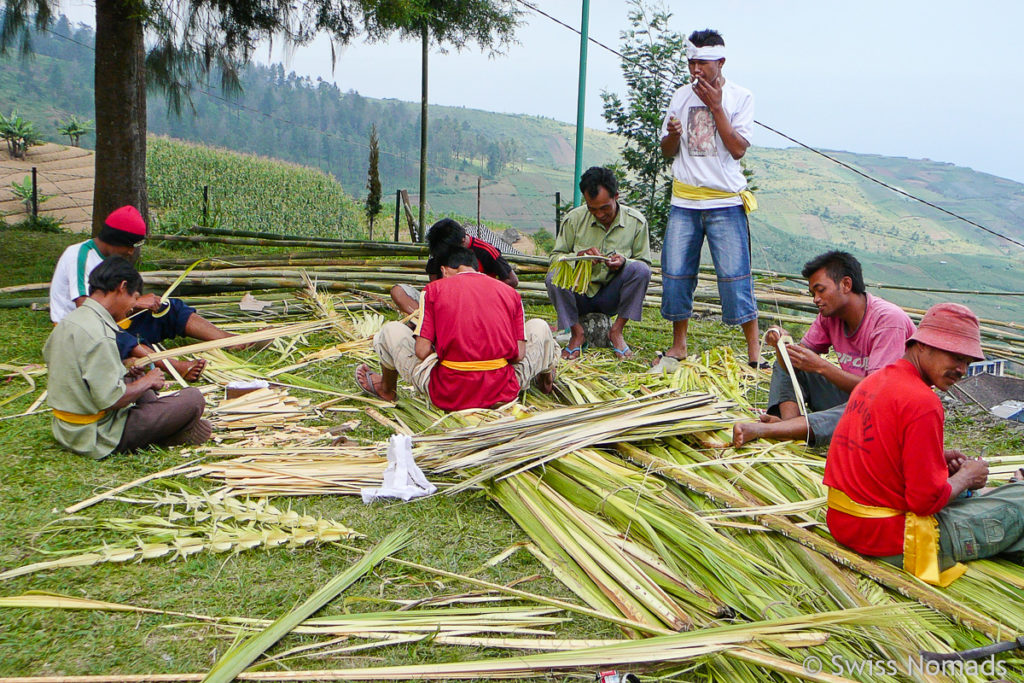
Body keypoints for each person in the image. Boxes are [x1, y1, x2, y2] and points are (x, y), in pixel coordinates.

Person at [824, 302, 1024, 586]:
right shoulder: (922, 401)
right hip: (888, 538)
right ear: (921, 345)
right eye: (955, 356)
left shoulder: (873, 382)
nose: (962, 369)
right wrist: (966, 478)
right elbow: (924, 503)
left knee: (1013, 493)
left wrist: (936, 460)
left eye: (967, 361)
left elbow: (880, 453)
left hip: (844, 523)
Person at [732, 251, 915, 447]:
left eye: (821, 290)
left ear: (846, 284)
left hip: (888, 411)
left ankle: (774, 429)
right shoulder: (829, 316)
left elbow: (878, 391)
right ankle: (788, 428)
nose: (816, 299)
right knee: (786, 364)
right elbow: (794, 362)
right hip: (850, 397)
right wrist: (781, 345)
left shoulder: (887, 321)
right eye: (813, 293)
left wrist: (821, 367)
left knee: (867, 404)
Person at [658, 29, 761, 366]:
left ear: (720, 62)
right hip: (684, 201)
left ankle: (754, 352)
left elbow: (737, 149)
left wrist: (717, 107)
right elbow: (666, 152)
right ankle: (679, 345)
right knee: (676, 273)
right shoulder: (679, 97)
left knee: (735, 275)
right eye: (691, 62)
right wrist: (672, 137)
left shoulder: (740, 97)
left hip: (725, 202)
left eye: (702, 62)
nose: (696, 70)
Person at [43, 257, 212, 460]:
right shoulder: (100, 335)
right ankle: (173, 430)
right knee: (193, 399)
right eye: (134, 298)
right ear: (122, 287)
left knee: (133, 377)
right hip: (95, 433)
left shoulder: (70, 321)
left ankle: (167, 424)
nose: (133, 306)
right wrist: (147, 381)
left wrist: (126, 370)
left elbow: (81, 370)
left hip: (65, 427)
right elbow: (112, 399)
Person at [49, 205, 240, 381]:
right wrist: (135, 304)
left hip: (114, 319)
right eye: (129, 245)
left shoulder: (112, 259)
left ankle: (230, 340)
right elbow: (87, 314)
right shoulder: (78, 256)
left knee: (169, 308)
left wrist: (138, 302)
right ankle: (175, 367)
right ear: (115, 240)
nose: (131, 252)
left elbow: (119, 298)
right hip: (82, 332)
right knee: (118, 335)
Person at [357, 247, 558, 411]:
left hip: (450, 394)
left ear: (445, 270)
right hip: (502, 391)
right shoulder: (510, 293)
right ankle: (546, 379)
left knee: (391, 330)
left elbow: (421, 351)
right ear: (474, 267)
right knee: (539, 327)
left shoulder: (434, 291)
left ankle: (386, 389)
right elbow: (519, 355)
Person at [546, 166, 651, 359]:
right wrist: (579, 258)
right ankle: (577, 333)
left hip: (612, 297)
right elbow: (555, 258)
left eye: (605, 208)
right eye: (592, 209)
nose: (599, 214)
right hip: (580, 294)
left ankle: (616, 332)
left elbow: (643, 263)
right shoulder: (574, 219)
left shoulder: (636, 222)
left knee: (640, 269)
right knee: (554, 276)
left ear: (616, 196)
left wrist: (624, 262)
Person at [390, 218, 519, 316]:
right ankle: (422, 320)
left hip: (478, 306)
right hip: (445, 305)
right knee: (398, 291)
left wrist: (482, 292)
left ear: (462, 241)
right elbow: (435, 285)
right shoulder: (440, 251)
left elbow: (512, 280)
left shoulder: (486, 251)